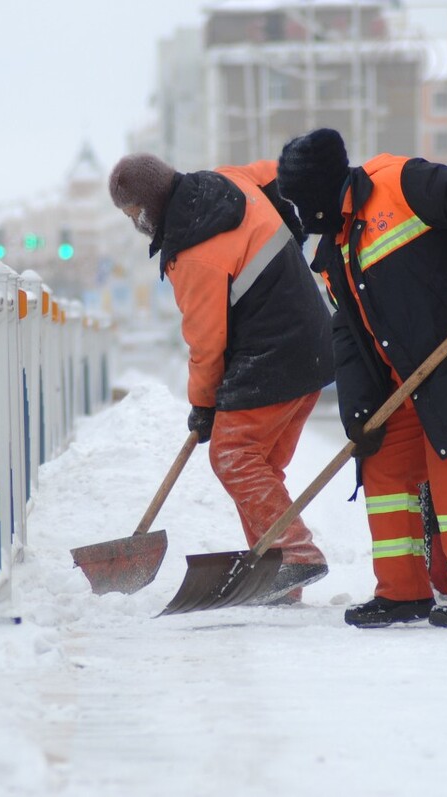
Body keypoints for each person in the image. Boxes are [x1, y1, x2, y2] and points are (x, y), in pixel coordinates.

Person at [275, 128, 447, 628]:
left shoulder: (399, 183)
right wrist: (360, 413)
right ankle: (402, 592)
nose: (300, 213)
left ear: (319, 188)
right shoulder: (332, 251)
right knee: (382, 471)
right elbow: (349, 336)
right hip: (404, 387)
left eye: (301, 201)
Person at [108, 153, 334, 604]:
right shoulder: (225, 181)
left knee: (234, 455)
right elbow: (278, 173)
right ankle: (276, 576)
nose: (134, 223)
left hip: (273, 354)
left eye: (132, 213)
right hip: (313, 344)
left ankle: (296, 552)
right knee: (259, 465)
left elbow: (206, 342)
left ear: (145, 207)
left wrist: (203, 404)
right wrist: (293, 228)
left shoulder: (192, 253)